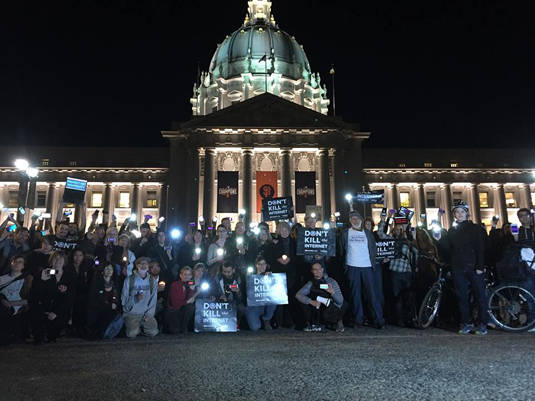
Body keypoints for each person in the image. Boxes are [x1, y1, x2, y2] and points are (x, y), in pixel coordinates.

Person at [442, 201, 487, 335]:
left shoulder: (475, 228)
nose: (459, 214)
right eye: (457, 212)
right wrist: (439, 239)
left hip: (473, 266)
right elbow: (448, 250)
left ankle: (482, 323)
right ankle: (465, 323)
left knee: (479, 296)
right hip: (458, 267)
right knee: (462, 297)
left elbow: (481, 248)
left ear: (467, 213)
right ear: (454, 214)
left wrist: (480, 266)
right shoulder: (452, 230)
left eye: (462, 211)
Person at [340, 211, 385, 329]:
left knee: (372, 294)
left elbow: (373, 249)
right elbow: (341, 249)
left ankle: (378, 320)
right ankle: (358, 320)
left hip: (367, 267)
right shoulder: (345, 233)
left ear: (361, 220)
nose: (355, 221)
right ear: (350, 221)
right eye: (352, 219)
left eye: (357, 219)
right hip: (352, 266)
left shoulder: (368, 234)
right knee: (355, 295)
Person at [377, 219, 418, 327]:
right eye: (398, 228)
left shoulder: (410, 242)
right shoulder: (392, 240)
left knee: (408, 298)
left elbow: (416, 255)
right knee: (397, 297)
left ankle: (408, 318)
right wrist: (384, 219)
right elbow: (380, 233)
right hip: (395, 272)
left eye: (402, 228)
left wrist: (413, 238)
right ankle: (400, 320)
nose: (400, 230)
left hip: (407, 272)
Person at [29, 251, 76, 344]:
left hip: (59, 310)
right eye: (55, 258)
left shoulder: (69, 275)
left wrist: (56, 312)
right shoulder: (45, 273)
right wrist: (42, 281)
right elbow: (35, 295)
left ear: (64, 261)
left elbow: (70, 297)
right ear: (51, 261)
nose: (58, 260)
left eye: (60, 258)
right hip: (44, 308)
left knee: (53, 333)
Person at [296, 262, 346, 332]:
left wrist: (332, 293)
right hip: (317, 306)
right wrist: (311, 301)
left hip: (330, 309)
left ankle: (337, 322)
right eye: (315, 269)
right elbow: (298, 294)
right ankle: (313, 324)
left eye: (319, 269)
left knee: (332, 307)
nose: (317, 271)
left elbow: (340, 301)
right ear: (312, 271)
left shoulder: (331, 282)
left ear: (322, 270)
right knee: (303, 302)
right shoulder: (311, 283)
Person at [121, 257, 159, 338]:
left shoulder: (152, 281)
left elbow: (153, 299)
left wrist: (149, 314)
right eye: (141, 264)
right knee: (132, 334)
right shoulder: (129, 280)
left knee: (153, 332)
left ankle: (141, 328)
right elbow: (124, 299)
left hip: (145, 314)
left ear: (148, 266)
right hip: (132, 314)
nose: (143, 266)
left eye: (145, 264)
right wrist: (135, 298)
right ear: (137, 266)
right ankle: (135, 328)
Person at [270, 221, 297, 328]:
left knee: (290, 297)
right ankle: (278, 321)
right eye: (282, 230)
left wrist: (289, 259)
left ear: (289, 231)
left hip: (291, 273)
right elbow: (271, 256)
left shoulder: (294, 242)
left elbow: (296, 255)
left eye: (286, 230)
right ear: (279, 231)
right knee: (279, 298)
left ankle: (288, 320)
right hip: (279, 273)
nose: (284, 232)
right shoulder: (275, 242)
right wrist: (279, 260)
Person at [0, 255, 31, 344]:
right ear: (11, 264)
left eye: (20, 262)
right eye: (15, 261)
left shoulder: (27, 280)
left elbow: (29, 300)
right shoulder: (2, 279)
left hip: (15, 307)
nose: (17, 264)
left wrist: (10, 303)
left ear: (23, 266)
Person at [87, 264, 122, 340]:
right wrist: (108, 305)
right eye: (107, 268)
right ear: (102, 271)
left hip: (111, 311)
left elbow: (117, 299)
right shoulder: (96, 283)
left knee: (119, 317)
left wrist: (115, 304)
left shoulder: (115, 284)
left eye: (111, 269)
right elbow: (92, 300)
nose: (109, 271)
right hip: (98, 312)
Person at [244, 255, 276, 331]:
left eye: (263, 264)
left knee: (274, 300)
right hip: (253, 307)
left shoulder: (270, 276)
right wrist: (249, 279)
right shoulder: (250, 276)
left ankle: (267, 319)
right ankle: (257, 321)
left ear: (266, 265)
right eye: (259, 264)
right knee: (255, 327)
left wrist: (271, 279)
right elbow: (247, 291)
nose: (262, 266)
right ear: (256, 265)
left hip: (265, 305)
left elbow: (276, 292)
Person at [165, 266, 197, 334]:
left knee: (190, 307)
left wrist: (192, 290)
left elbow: (191, 300)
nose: (187, 277)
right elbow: (174, 303)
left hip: (183, 308)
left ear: (191, 276)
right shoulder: (174, 285)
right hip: (174, 310)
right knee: (175, 331)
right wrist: (187, 301)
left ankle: (184, 327)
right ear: (180, 275)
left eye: (189, 275)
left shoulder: (190, 285)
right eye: (185, 274)